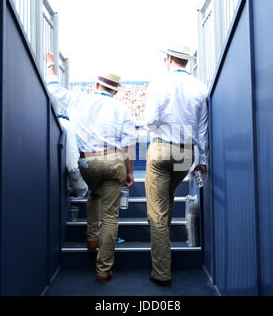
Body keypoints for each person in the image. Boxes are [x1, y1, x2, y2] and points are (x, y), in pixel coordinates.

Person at [46, 52, 137, 284]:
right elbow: (128, 144)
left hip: (87, 163)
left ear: (96, 84)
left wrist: (51, 64)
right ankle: (103, 269)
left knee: (94, 194)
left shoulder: (79, 99)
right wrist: (129, 172)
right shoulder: (122, 109)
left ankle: (91, 239)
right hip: (114, 161)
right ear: (115, 90)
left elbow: (53, 87)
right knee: (110, 217)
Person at [144, 45, 208, 287]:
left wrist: (156, 127)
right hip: (187, 154)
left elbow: (150, 121)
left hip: (162, 148)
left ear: (169, 59)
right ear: (187, 61)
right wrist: (202, 161)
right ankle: (164, 250)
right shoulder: (201, 87)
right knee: (167, 199)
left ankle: (161, 273)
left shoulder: (159, 83)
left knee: (157, 213)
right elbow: (202, 130)